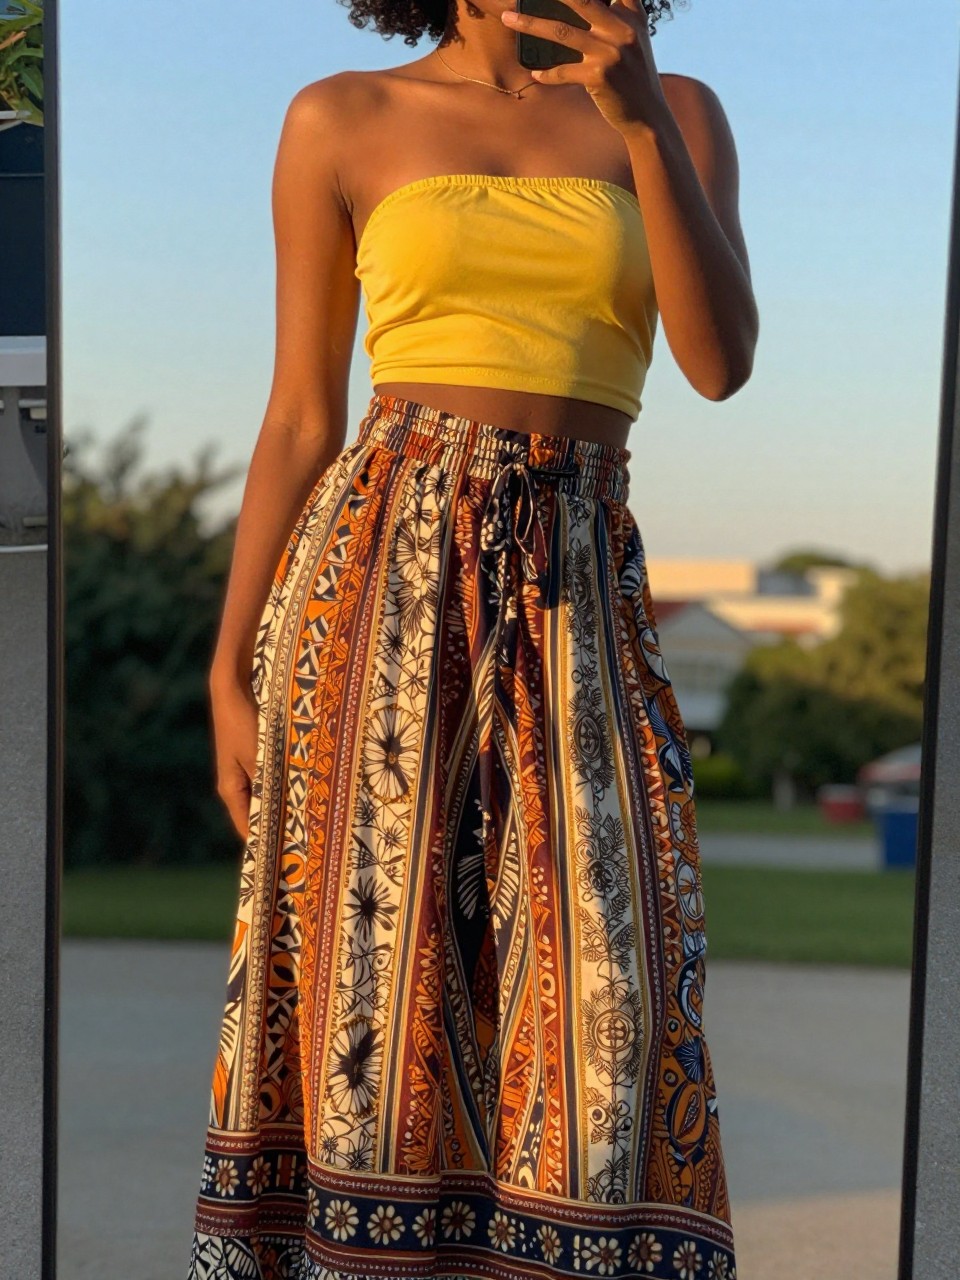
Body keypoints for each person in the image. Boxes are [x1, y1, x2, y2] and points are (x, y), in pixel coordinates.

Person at [187, 0, 758, 1275]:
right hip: (376, 571)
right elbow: (299, 414)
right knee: (372, 991)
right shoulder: (342, 116)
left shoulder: (675, 110)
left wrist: (642, 119)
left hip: (579, 571)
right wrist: (228, 667)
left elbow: (720, 362)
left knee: (615, 982)